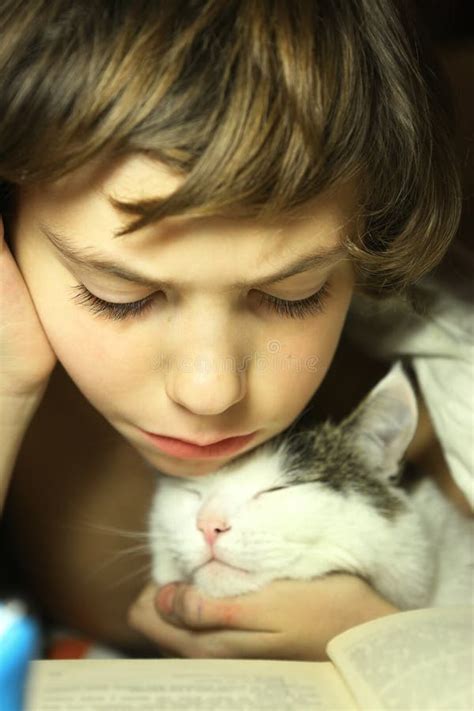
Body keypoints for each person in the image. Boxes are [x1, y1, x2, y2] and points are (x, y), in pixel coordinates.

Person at [0, 0, 471, 660]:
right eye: (119, 297)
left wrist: (385, 635)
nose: (211, 390)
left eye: (292, 295)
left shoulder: (431, 402)